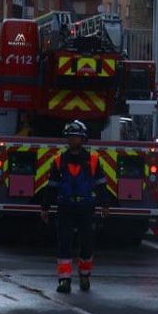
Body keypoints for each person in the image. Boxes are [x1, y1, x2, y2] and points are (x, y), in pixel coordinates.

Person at [39, 121, 112, 293]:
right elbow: (52, 186)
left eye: (76, 137)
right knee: (64, 244)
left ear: (83, 139)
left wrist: (105, 205)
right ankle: (64, 280)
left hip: (87, 209)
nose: (72, 140)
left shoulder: (93, 160)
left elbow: (101, 185)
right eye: (70, 137)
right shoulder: (59, 161)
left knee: (87, 244)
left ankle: (85, 276)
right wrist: (45, 207)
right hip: (65, 208)